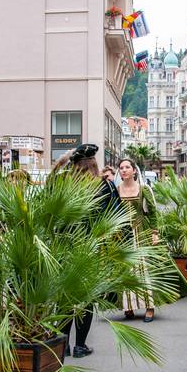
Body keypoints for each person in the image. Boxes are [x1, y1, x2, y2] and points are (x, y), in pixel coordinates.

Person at [52, 144, 121, 356]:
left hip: (64, 247)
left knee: (64, 297)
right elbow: (118, 219)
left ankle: (62, 346)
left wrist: (62, 161)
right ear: (94, 164)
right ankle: (80, 346)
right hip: (92, 249)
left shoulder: (64, 184)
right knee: (86, 298)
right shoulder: (105, 187)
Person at [115, 157, 187, 322]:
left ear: (134, 171)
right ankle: (129, 306)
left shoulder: (144, 189)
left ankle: (150, 307)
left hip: (142, 231)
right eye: (121, 168)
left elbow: (153, 212)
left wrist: (154, 233)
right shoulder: (117, 190)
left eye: (127, 167)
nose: (124, 170)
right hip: (125, 235)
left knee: (146, 270)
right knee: (127, 270)